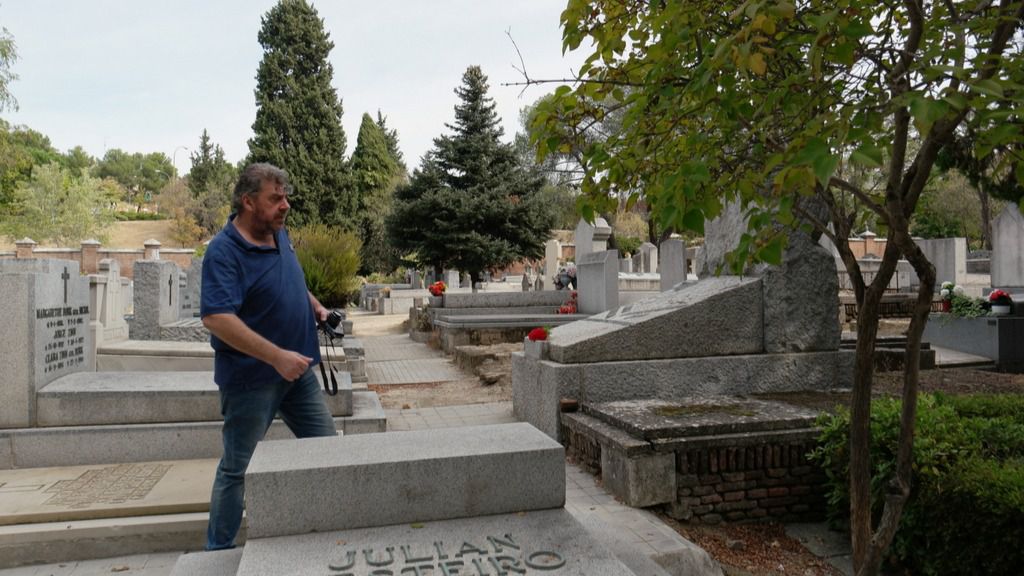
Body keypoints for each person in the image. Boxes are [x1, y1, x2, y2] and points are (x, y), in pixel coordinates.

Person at [200, 163, 337, 550]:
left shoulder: (278, 234)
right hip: (250, 381)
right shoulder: (223, 252)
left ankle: (333, 526)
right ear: (248, 201)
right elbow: (217, 317)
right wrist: (276, 356)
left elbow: (290, 279)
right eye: (275, 199)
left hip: (298, 374)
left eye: (285, 197)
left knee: (328, 450)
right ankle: (219, 550)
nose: (285, 205)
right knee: (237, 470)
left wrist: (317, 308)